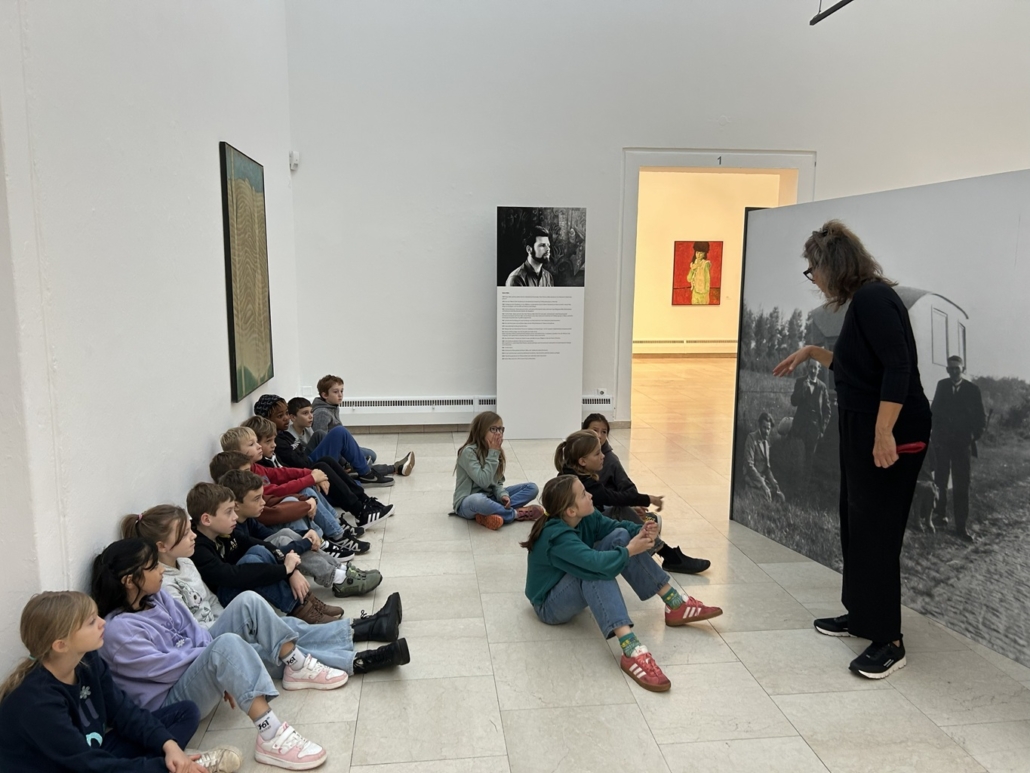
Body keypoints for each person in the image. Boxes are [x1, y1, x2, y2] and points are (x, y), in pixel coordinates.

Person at [774, 219, 931, 680]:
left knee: (877, 531)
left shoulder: (874, 299)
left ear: (832, 265)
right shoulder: (863, 303)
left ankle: (889, 641)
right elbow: (854, 366)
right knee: (856, 523)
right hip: (864, 427)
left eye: (813, 269)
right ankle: (863, 616)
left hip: (892, 430)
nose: (814, 279)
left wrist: (884, 433)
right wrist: (810, 351)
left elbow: (898, 367)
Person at [92, 539, 333, 770]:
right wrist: (215, 662)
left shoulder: (156, 596)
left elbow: (193, 630)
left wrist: (217, 664)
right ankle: (271, 735)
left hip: (189, 670)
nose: (161, 570)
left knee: (247, 602)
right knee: (225, 646)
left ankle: (296, 665)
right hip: (170, 702)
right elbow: (168, 670)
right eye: (153, 566)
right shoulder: (118, 632)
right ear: (129, 581)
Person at [123, 505, 407, 670]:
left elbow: (212, 602)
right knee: (277, 650)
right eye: (185, 533)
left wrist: (240, 621)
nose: (193, 535)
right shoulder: (163, 586)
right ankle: (360, 660)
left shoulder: (185, 563)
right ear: (162, 546)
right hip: (211, 643)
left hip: (227, 622)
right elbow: (193, 633)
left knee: (285, 630)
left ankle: (367, 627)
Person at [0, 590, 242, 773]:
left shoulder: (88, 660)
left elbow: (124, 713)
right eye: (91, 622)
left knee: (185, 713)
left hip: (91, 753)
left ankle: (179, 763)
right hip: (66, 767)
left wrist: (169, 745)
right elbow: (85, 764)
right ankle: (185, 767)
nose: (103, 622)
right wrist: (163, 766)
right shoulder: (37, 702)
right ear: (61, 645)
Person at [521, 476, 722, 692]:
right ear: (571, 511)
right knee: (594, 571)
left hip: (568, 583)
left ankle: (675, 603)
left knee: (620, 535)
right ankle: (631, 649)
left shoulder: (586, 517)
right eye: (584, 494)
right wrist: (630, 550)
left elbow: (617, 528)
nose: (590, 495)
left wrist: (641, 531)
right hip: (549, 605)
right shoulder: (556, 537)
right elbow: (595, 563)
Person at [186, 481, 343, 625]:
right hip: (226, 602)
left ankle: (305, 601)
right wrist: (284, 570)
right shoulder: (198, 549)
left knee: (258, 550)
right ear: (206, 519)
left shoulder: (223, 532)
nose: (235, 516)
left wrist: (291, 571)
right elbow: (234, 575)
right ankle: (298, 607)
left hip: (239, 585)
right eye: (228, 512)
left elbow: (265, 545)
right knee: (252, 563)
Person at [220, 470, 382, 599]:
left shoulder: (247, 519)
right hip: (250, 575)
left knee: (285, 533)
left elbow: (268, 535)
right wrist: (306, 543)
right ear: (237, 505)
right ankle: (338, 578)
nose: (263, 502)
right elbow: (270, 548)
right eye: (256, 499)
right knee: (283, 539)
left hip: (265, 562)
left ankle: (339, 568)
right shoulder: (233, 530)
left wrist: (306, 534)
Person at [581, 414, 711, 574]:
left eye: (604, 432)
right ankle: (666, 552)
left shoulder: (609, 459)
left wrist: (633, 503)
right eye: (594, 431)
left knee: (627, 515)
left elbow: (625, 488)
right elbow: (606, 496)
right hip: (589, 521)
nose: (599, 436)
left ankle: (652, 534)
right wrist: (642, 500)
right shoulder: (576, 466)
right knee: (622, 512)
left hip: (600, 514)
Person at [253, 394, 393, 528]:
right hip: (300, 480)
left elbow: (290, 467)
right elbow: (290, 470)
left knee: (330, 460)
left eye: (286, 413)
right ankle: (360, 508)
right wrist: (313, 476)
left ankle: (365, 501)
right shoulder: (276, 445)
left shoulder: (283, 436)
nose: (286, 418)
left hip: (303, 470)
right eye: (280, 416)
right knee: (328, 461)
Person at [242, 414, 375, 551]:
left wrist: (311, 474)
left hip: (283, 503)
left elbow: (283, 472)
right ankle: (329, 538)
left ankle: (340, 524)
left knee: (319, 472)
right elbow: (277, 490)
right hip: (274, 517)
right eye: (254, 444)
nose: (261, 446)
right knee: (308, 488)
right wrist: (310, 482)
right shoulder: (251, 473)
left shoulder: (256, 466)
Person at [310, 375, 415, 483]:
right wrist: (344, 461)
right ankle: (394, 468)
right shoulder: (322, 413)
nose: (340, 395)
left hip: (339, 449)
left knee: (371, 455)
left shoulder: (332, 407)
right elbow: (323, 442)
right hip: (334, 453)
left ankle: (358, 468)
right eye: (336, 392)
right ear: (325, 395)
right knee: (362, 463)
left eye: (342, 391)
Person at [452, 411, 542, 530]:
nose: (498, 433)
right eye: (493, 429)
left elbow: (497, 483)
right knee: (478, 500)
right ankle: (514, 514)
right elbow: (483, 481)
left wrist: (502, 495)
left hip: (491, 498)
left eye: (500, 429)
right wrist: (493, 453)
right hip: (468, 502)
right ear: (481, 430)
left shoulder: (495, 451)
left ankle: (489, 514)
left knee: (532, 488)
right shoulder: (469, 452)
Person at [930, 355, 986, 542]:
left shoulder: (972, 390)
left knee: (962, 484)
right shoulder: (942, 386)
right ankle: (940, 516)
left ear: (963, 369)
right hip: (943, 443)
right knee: (940, 480)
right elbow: (934, 413)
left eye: (957, 368)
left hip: (962, 446)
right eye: (950, 368)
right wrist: (936, 436)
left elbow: (980, 419)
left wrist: (972, 437)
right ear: (947, 370)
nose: (953, 372)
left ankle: (961, 526)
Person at [790, 360, 832, 466]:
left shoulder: (822, 387)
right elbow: (793, 402)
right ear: (807, 367)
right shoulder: (800, 381)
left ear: (819, 370)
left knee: (809, 461)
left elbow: (827, 411)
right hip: (799, 428)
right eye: (811, 367)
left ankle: (806, 477)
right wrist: (803, 388)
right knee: (796, 458)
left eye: (815, 368)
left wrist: (822, 429)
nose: (812, 370)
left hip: (814, 430)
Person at [742, 413, 785, 503]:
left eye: (768, 429)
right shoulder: (751, 438)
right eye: (764, 427)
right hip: (752, 478)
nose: (766, 431)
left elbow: (767, 469)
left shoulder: (766, 443)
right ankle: (751, 492)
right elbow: (749, 465)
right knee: (766, 497)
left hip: (762, 479)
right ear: (759, 426)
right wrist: (763, 485)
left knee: (780, 497)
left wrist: (776, 486)